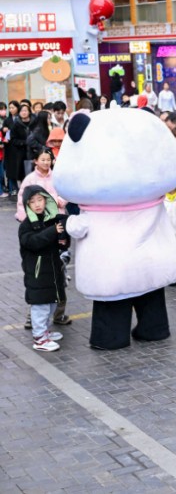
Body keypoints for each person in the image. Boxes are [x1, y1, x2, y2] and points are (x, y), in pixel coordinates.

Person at [19, 185, 70, 352]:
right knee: (40, 305)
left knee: (51, 303)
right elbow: (33, 242)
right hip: (37, 272)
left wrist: (63, 241)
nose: (37, 204)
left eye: (40, 199)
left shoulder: (50, 219)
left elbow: (58, 240)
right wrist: (52, 232)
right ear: (27, 205)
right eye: (32, 202)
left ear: (46, 200)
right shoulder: (26, 225)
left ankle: (45, 331)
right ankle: (39, 338)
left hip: (52, 270)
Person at [16, 147, 66, 221]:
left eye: (48, 160)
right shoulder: (30, 179)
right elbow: (22, 199)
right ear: (36, 161)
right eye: (43, 160)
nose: (46, 162)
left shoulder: (56, 177)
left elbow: (65, 192)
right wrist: (25, 218)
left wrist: (59, 201)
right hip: (37, 219)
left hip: (56, 215)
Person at [7, 104, 33, 196]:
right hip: (21, 153)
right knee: (23, 174)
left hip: (34, 153)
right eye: (22, 111)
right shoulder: (16, 124)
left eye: (26, 110)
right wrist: (24, 142)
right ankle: (24, 194)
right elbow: (13, 140)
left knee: (33, 173)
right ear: (19, 112)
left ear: (29, 111)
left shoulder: (34, 123)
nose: (24, 112)